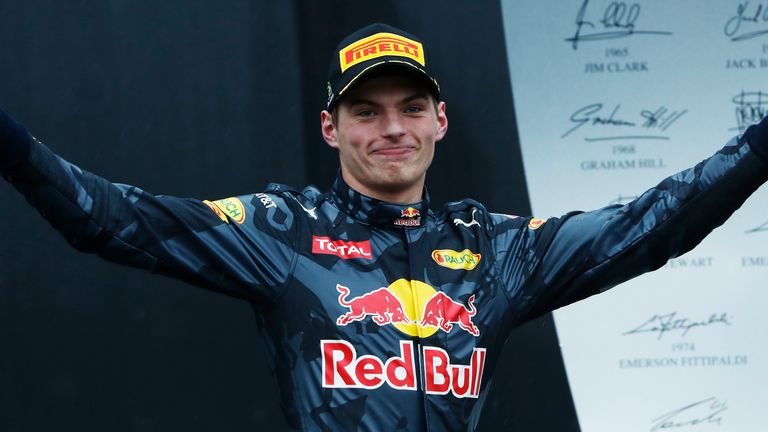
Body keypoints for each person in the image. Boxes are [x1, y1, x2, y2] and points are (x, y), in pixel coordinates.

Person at [1, 22, 767, 431]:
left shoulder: (495, 249)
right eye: (366, 111)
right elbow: (109, 218)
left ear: (441, 120)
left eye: (409, 109)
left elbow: (652, 226)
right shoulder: (281, 232)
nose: (390, 129)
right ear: (331, 129)